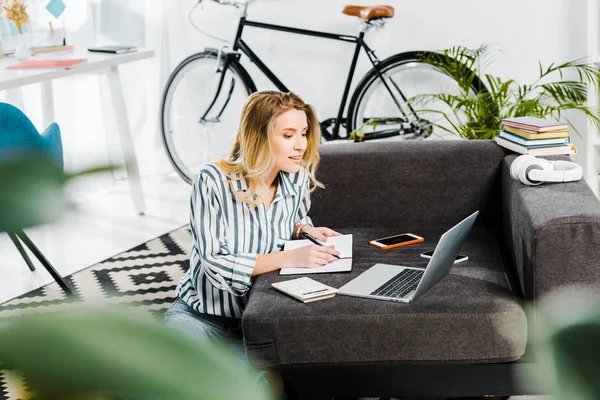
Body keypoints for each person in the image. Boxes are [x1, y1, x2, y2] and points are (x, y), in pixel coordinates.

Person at [164, 90, 341, 395]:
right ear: (258, 136)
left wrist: (306, 232)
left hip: (253, 329)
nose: (300, 144)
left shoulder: (295, 178)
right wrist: (290, 258)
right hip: (198, 316)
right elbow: (216, 261)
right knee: (165, 382)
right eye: (288, 135)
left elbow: (292, 219)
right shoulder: (212, 181)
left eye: (303, 133)